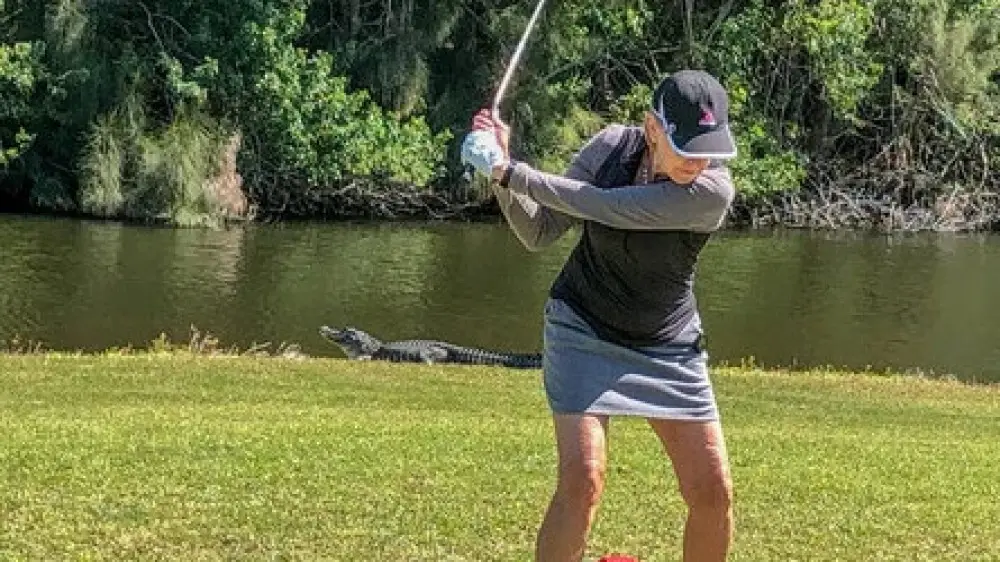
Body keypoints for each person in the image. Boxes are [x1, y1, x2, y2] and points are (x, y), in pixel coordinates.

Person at [461, 69, 738, 562]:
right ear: (653, 128)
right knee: (583, 479)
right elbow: (539, 231)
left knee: (712, 490)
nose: (699, 160)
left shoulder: (712, 192)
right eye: (687, 147)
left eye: (709, 147)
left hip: (668, 345)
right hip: (582, 327)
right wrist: (498, 170)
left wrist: (509, 171)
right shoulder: (611, 148)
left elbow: (606, 207)